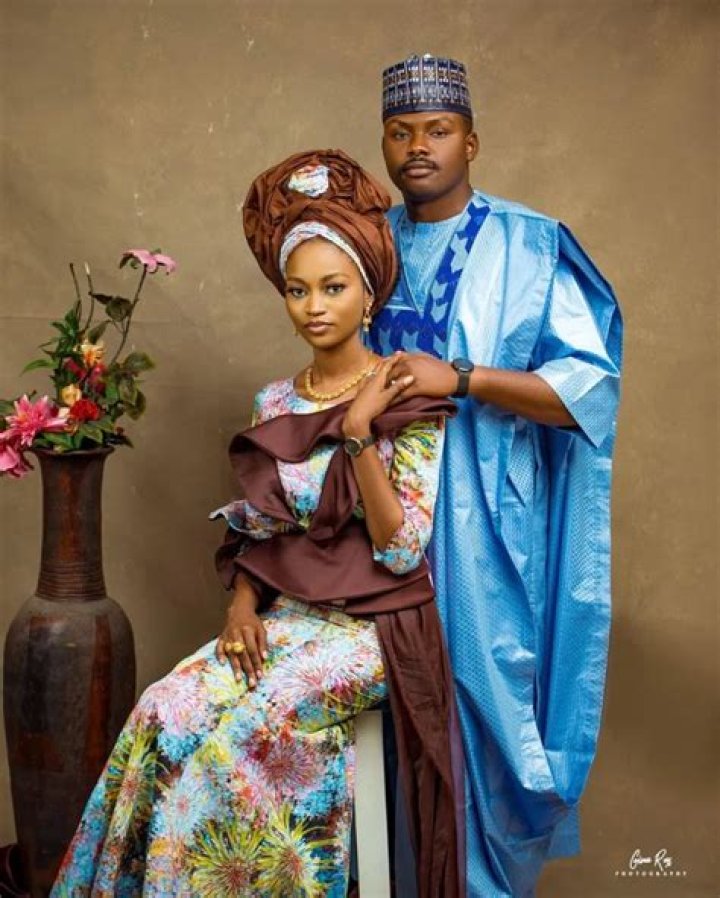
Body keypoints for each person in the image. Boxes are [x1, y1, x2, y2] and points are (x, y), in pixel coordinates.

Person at [51, 150, 463, 897]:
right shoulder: (275, 401)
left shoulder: (405, 390)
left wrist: (359, 433)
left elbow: (403, 549)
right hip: (287, 617)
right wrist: (240, 610)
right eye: (298, 290)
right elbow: (262, 532)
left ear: (368, 293)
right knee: (165, 711)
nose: (314, 306)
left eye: (333, 287)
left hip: (373, 633)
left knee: (241, 736)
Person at [368, 54, 623, 898]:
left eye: (437, 130)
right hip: (379, 522)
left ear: (470, 142)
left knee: (483, 711)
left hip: (488, 531)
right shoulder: (366, 245)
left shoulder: (531, 244)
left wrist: (465, 377)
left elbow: (588, 391)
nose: (418, 146)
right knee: (380, 718)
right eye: (400, 132)